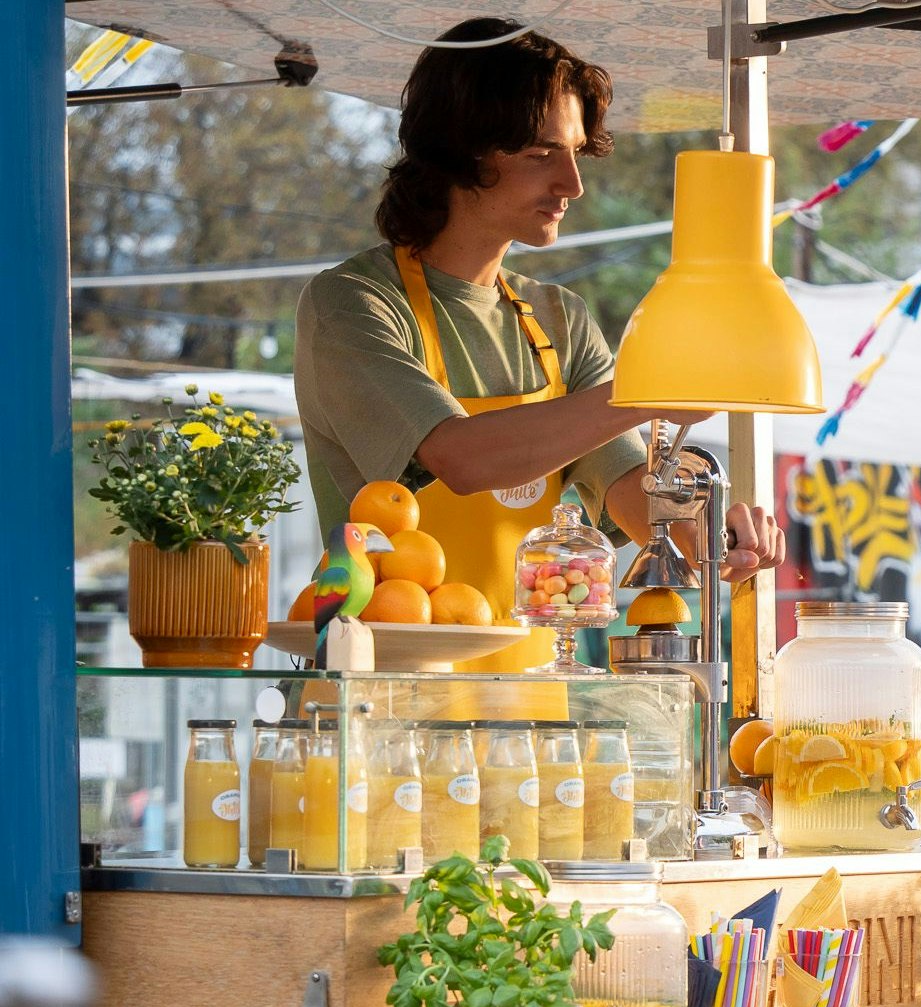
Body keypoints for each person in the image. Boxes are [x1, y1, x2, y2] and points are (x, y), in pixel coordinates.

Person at [295, 18, 781, 671]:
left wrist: (717, 537)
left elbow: (635, 500)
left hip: (526, 728)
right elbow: (462, 459)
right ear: (464, 149)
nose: (573, 184)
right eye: (542, 153)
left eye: (577, 152)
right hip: (376, 715)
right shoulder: (352, 304)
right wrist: (649, 387)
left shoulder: (559, 317)